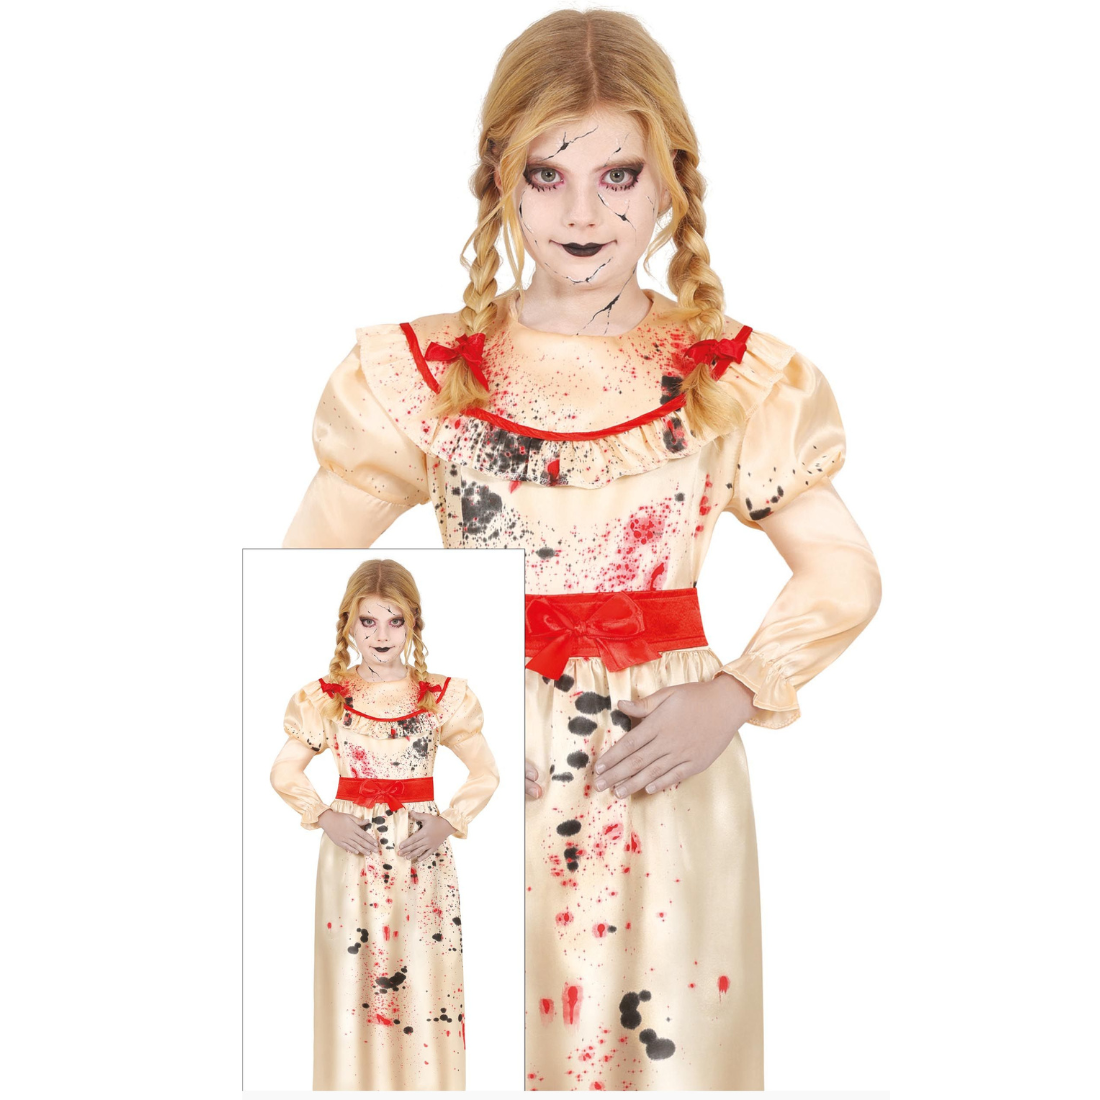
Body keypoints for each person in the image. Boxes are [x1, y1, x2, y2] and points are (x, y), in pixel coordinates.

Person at [283, 9, 881, 1090]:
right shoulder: (431, 375)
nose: (582, 211)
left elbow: (842, 570)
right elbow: (303, 576)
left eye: (618, 174)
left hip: (661, 768)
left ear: (671, 182)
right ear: (499, 179)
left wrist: (736, 691)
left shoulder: (726, 374)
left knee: (662, 1050)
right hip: (489, 770)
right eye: (547, 173)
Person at [270, 558, 499, 1090]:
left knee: (424, 975)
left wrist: (449, 823)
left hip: (421, 852)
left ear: (413, 622)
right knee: (354, 976)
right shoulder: (326, 696)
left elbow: (486, 771)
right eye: (368, 620)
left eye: (395, 621)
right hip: (352, 850)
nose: (381, 635)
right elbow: (284, 770)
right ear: (348, 623)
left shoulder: (441, 696)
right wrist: (323, 815)